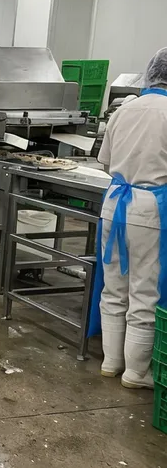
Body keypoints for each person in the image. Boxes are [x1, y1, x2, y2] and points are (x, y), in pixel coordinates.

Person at [94, 47, 167, 389]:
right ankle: (136, 373)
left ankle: (111, 361)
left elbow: (106, 163)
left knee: (114, 287)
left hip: (114, 204)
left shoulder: (125, 109)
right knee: (144, 292)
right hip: (150, 208)